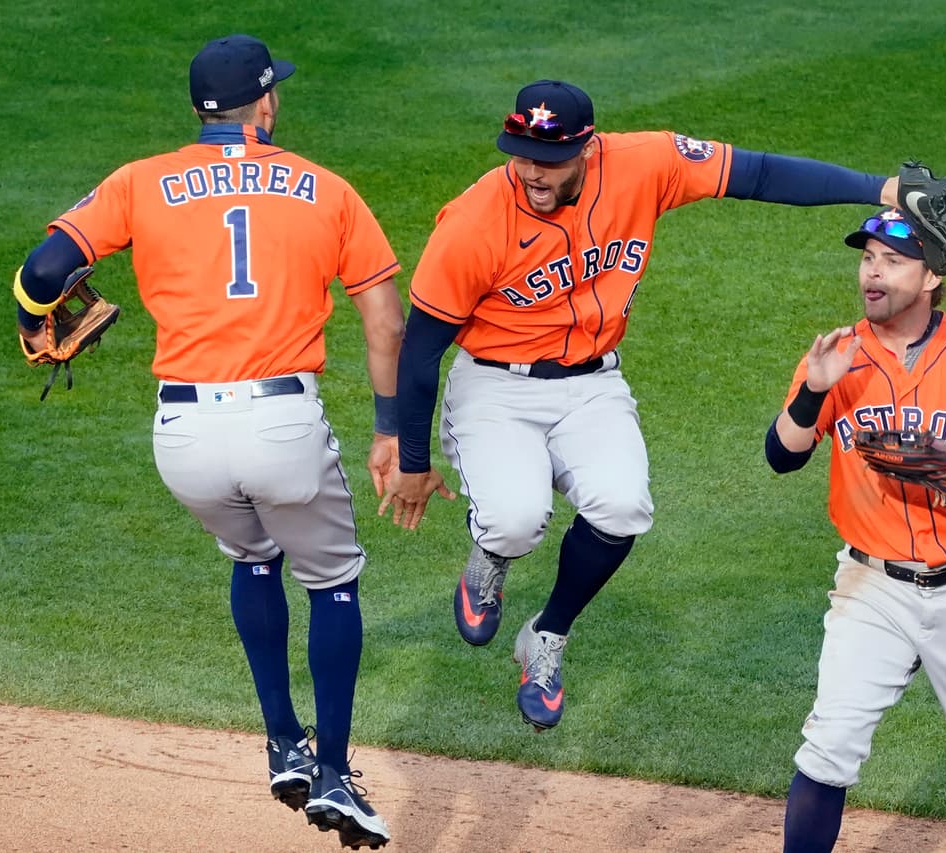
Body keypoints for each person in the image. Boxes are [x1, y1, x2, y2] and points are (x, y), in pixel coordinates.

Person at [380, 78, 911, 731]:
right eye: (522, 155)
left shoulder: (644, 163)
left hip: (592, 382)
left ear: (587, 148)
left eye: (550, 159)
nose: (533, 173)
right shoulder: (474, 222)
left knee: (624, 506)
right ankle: (491, 555)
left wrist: (882, 189)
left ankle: (547, 636)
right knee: (515, 520)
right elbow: (419, 351)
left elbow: (759, 174)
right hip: (496, 386)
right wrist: (412, 460)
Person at [12, 34, 401, 850]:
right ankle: (333, 771)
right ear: (266, 104)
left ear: (200, 110)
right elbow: (384, 323)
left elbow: (43, 273)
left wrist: (31, 321)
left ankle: (282, 741)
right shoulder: (326, 188)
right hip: (281, 422)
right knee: (332, 580)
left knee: (253, 556)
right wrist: (391, 429)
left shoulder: (138, 181)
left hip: (183, 435)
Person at [765, 208, 946, 853]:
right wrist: (813, 391)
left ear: (930, 277)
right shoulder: (839, 356)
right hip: (872, 585)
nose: (873, 272)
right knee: (829, 746)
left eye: (893, 261)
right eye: (868, 258)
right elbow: (782, 455)